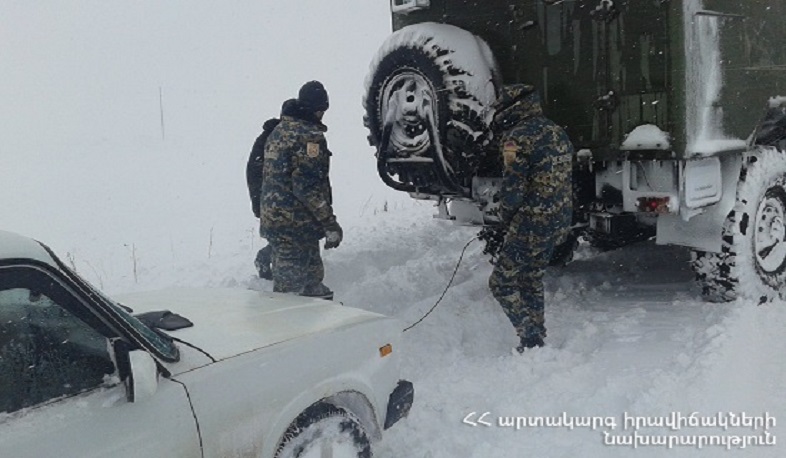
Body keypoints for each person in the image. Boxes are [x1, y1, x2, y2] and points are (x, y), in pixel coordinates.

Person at [488, 84, 573, 353]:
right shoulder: (556, 131)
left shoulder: (516, 138)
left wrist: (504, 218)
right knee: (531, 279)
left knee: (501, 283)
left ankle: (530, 335)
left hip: (531, 221)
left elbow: (513, 189)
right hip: (558, 219)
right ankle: (537, 335)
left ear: (512, 107)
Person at [258, 81, 342, 300]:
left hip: (280, 221)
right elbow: (307, 187)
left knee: (312, 281)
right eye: (322, 109)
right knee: (290, 295)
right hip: (295, 225)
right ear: (317, 109)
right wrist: (329, 223)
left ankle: (316, 328)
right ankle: (286, 331)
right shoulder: (308, 137)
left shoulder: (280, 130)